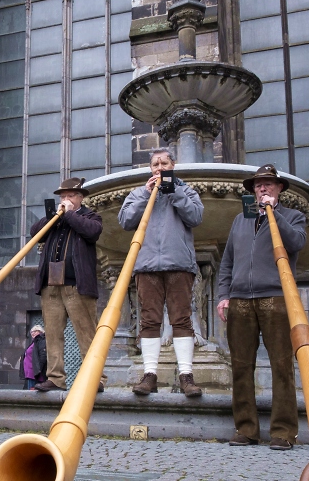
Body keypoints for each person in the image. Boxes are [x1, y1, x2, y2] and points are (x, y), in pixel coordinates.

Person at [216, 163, 307, 451]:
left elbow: (296, 243)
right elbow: (227, 261)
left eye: (268, 183)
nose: (262, 187)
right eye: (258, 184)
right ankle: (246, 429)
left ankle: (283, 433)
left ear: (279, 188)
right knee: (241, 367)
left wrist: (274, 213)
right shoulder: (239, 220)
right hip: (240, 300)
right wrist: (223, 294)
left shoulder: (292, 216)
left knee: (282, 366)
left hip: (276, 299)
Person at [118, 149, 204, 397]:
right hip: (147, 265)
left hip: (178, 264)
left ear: (172, 165)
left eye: (164, 163)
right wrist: (147, 195)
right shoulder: (138, 193)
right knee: (149, 320)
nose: (159, 167)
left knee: (181, 319)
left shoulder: (186, 190)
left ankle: (186, 375)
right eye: (155, 164)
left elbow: (196, 216)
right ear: (150, 168)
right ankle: (150, 374)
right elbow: (125, 221)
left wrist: (173, 191)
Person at [29, 178, 104, 393]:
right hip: (50, 286)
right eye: (62, 196)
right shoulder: (54, 219)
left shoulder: (90, 216)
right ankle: (55, 378)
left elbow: (92, 232)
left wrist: (70, 214)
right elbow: (35, 232)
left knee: (87, 333)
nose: (65, 199)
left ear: (80, 198)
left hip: (77, 285)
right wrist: (52, 217)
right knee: (52, 334)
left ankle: (94, 376)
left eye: (70, 195)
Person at [19, 325, 48, 390]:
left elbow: (43, 356)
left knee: (32, 394)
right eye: (32, 332)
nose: (33, 333)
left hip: (34, 374)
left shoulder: (41, 341)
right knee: (29, 393)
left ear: (40, 332)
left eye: (35, 331)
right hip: (30, 373)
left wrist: (38, 370)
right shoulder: (34, 342)